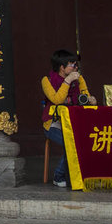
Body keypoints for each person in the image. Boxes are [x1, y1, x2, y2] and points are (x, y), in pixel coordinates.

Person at [41, 49, 96, 187]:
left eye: (76, 65)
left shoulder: (79, 79)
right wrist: (67, 81)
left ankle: (86, 175)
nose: (75, 68)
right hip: (53, 123)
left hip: (74, 121)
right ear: (62, 66)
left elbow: (85, 97)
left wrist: (91, 100)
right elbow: (57, 99)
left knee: (90, 140)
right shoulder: (47, 80)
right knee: (70, 143)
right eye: (72, 65)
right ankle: (59, 176)